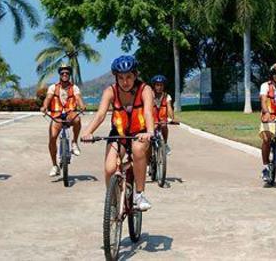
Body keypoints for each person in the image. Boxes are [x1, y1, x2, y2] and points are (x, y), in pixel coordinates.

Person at [81, 55, 154, 211]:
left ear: (135, 75)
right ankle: (112, 201)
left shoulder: (145, 90)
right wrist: (87, 132)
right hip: (118, 134)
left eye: (128, 77)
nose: (125, 82)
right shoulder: (110, 91)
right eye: (120, 78)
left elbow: (148, 112)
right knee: (110, 168)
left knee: (137, 150)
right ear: (116, 78)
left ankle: (139, 195)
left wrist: (150, 132)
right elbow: (100, 115)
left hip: (139, 133)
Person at [40, 64, 86, 176]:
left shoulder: (74, 88)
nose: (65, 75)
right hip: (57, 115)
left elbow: (78, 98)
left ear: (69, 75)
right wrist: (44, 107)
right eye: (62, 73)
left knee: (77, 119)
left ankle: (74, 142)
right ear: (59, 75)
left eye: (67, 73)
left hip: (70, 113)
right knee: (52, 139)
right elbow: (48, 98)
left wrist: (82, 106)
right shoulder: (53, 87)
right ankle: (55, 166)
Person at [150, 74, 176, 154]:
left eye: (161, 85)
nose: (159, 87)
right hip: (152, 119)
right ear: (154, 86)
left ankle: (165, 144)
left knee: (164, 126)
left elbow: (169, 108)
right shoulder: (149, 95)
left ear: (164, 86)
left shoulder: (167, 96)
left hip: (162, 119)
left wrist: (172, 118)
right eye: (157, 85)